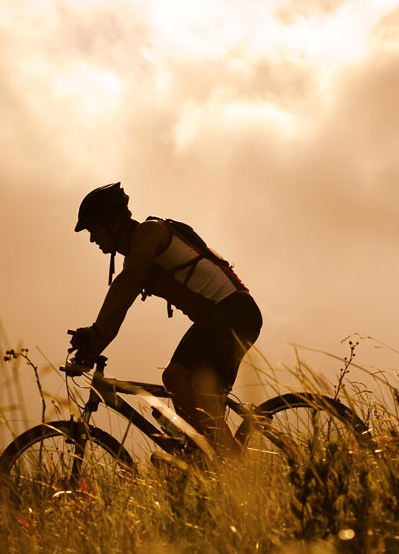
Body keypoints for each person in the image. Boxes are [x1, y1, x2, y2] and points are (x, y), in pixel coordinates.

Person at [68, 183, 262, 450]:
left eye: (93, 230)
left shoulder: (150, 232)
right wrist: (92, 350)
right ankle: (221, 466)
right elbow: (119, 310)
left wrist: (95, 331)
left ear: (113, 222)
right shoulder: (137, 260)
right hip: (230, 317)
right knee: (204, 408)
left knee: (175, 377)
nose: (92, 239)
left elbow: (125, 284)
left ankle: (224, 461)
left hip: (230, 311)